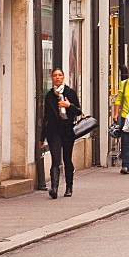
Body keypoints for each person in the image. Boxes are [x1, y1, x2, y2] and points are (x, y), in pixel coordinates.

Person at [39, 68, 81, 198]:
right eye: (55, 76)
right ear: (52, 78)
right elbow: (45, 117)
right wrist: (42, 137)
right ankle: (54, 188)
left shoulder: (70, 92)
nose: (57, 77)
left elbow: (78, 112)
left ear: (63, 77)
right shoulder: (49, 95)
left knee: (67, 159)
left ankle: (69, 187)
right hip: (53, 132)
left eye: (60, 75)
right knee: (55, 160)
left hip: (68, 130)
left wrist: (69, 105)